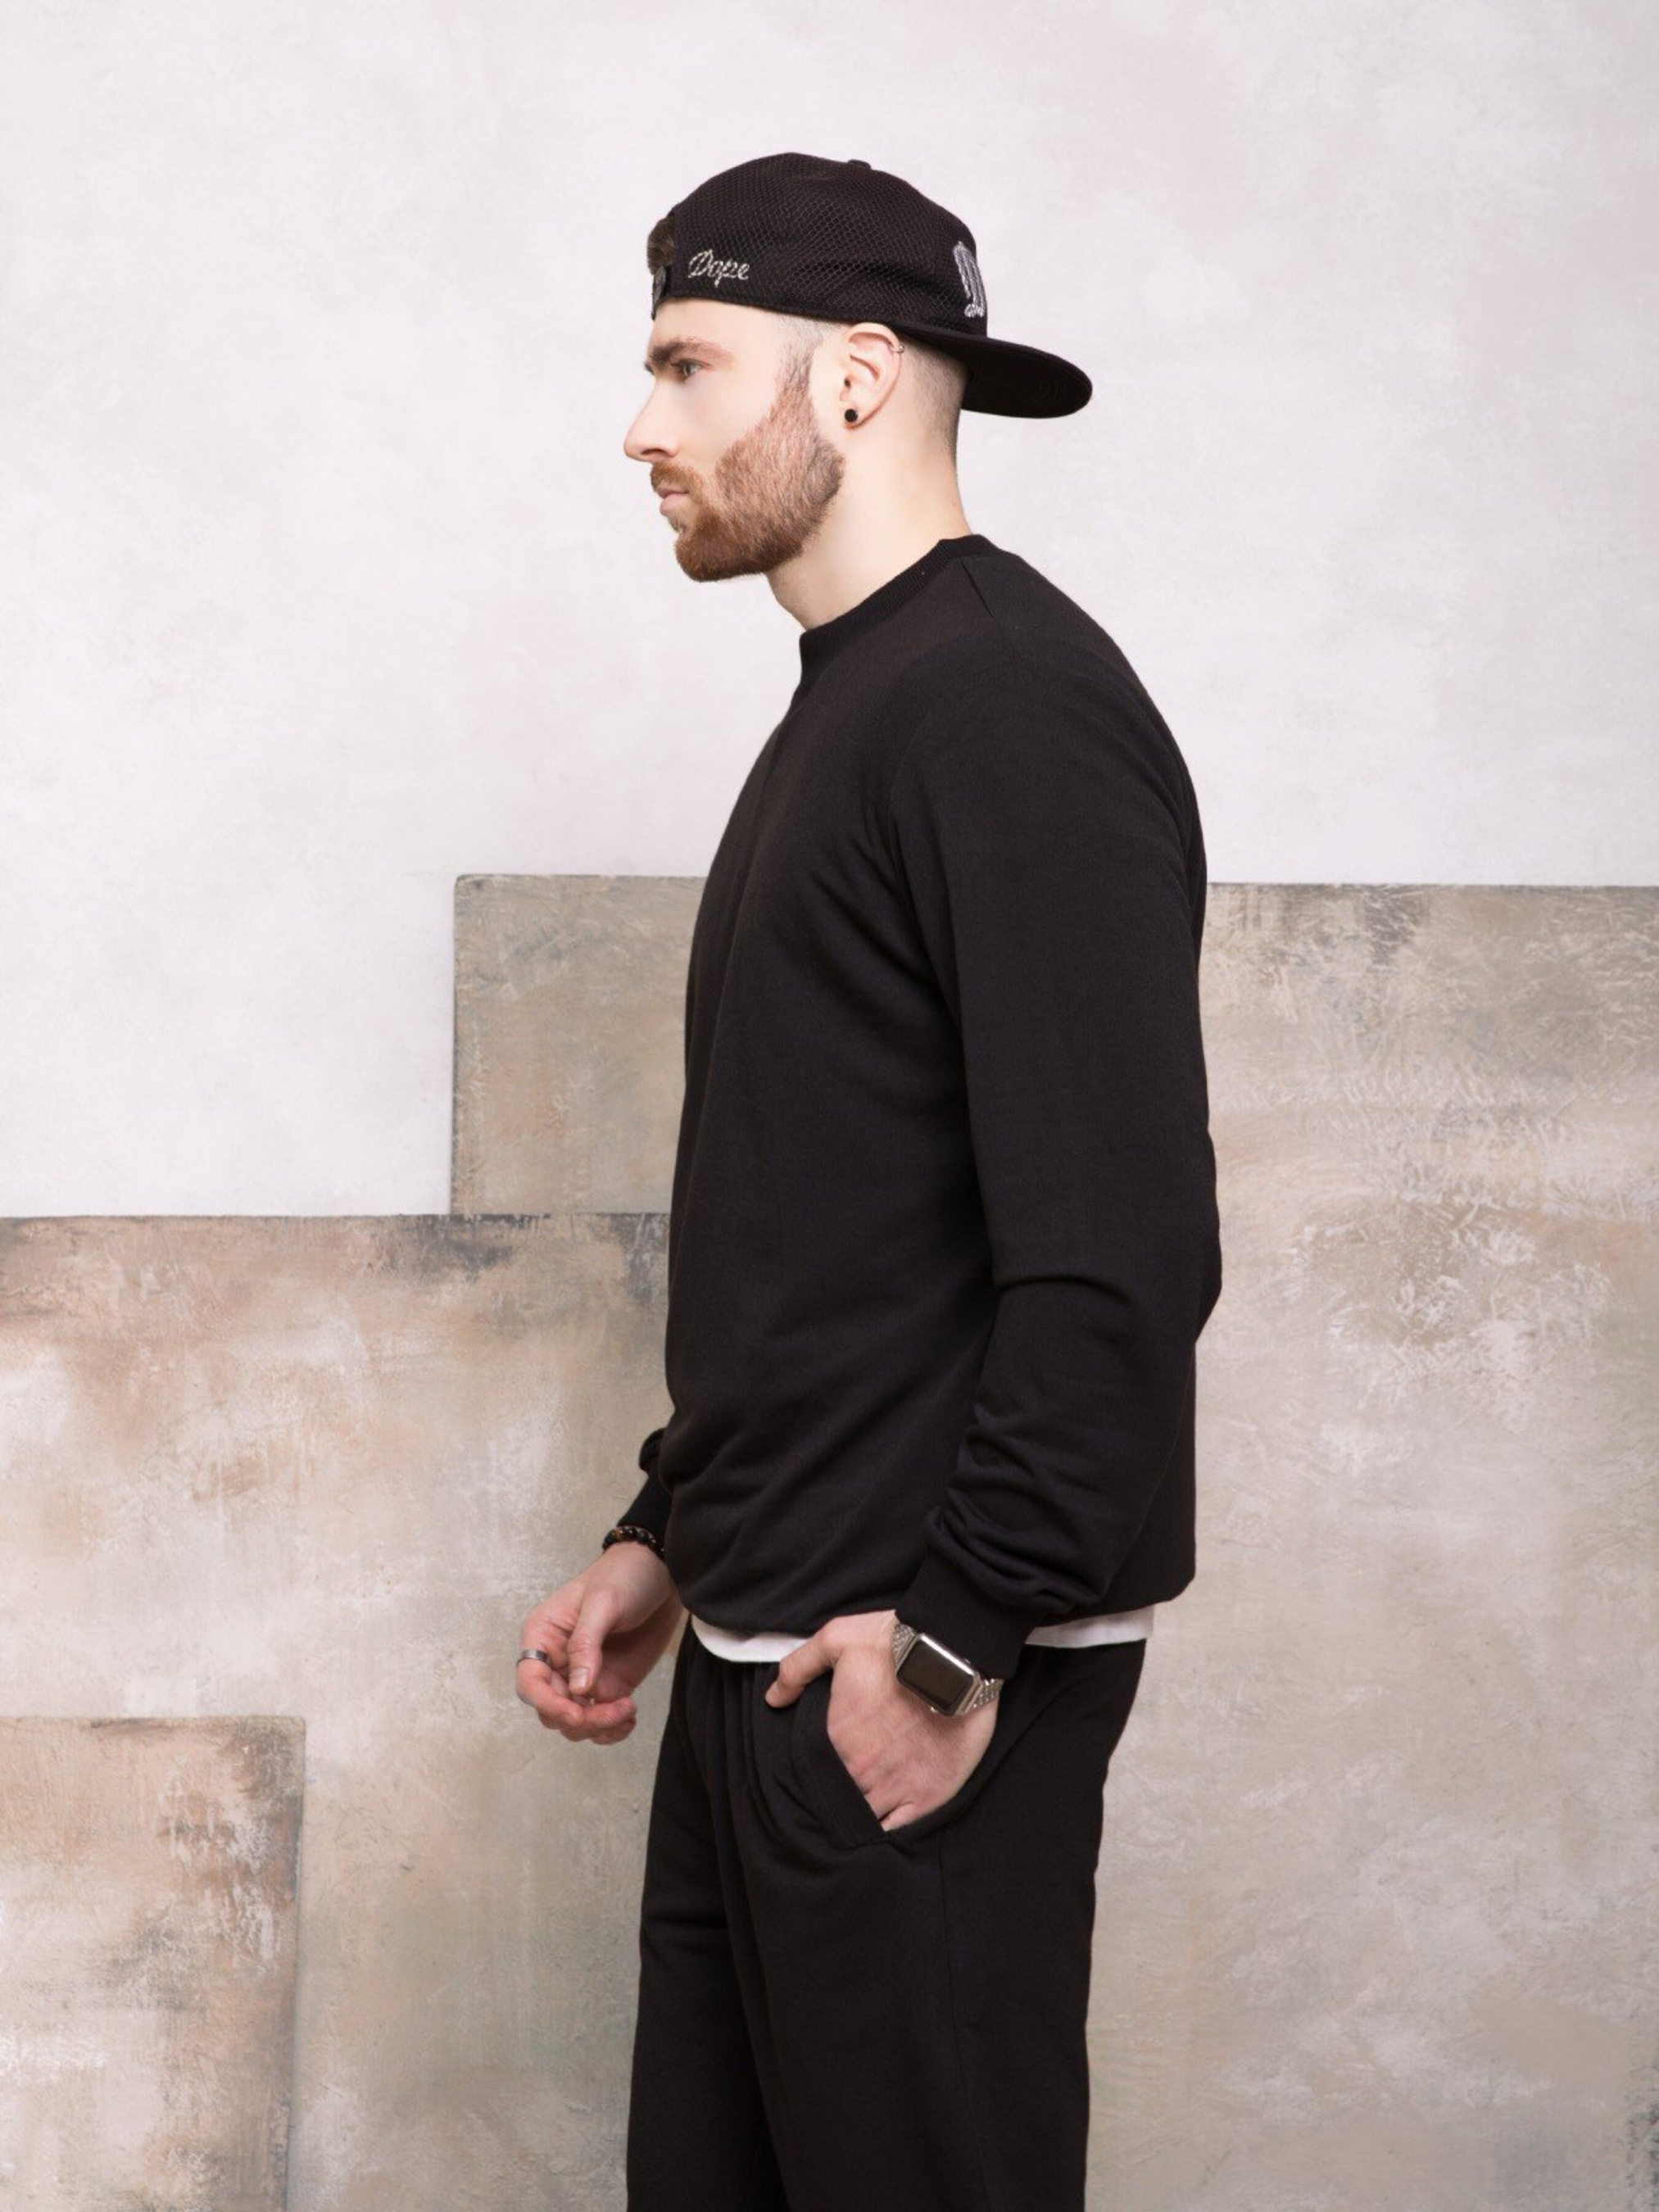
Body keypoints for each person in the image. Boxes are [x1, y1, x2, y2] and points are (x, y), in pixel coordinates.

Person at [514, 151, 1224, 2212]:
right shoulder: (862, 701)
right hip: (769, 1649)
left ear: (850, 376)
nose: (638, 426)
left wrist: (950, 1647)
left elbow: (1117, 1256)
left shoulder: (1001, 708)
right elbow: (826, 1219)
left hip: (900, 1684)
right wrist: (671, 1535)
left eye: (684, 363)